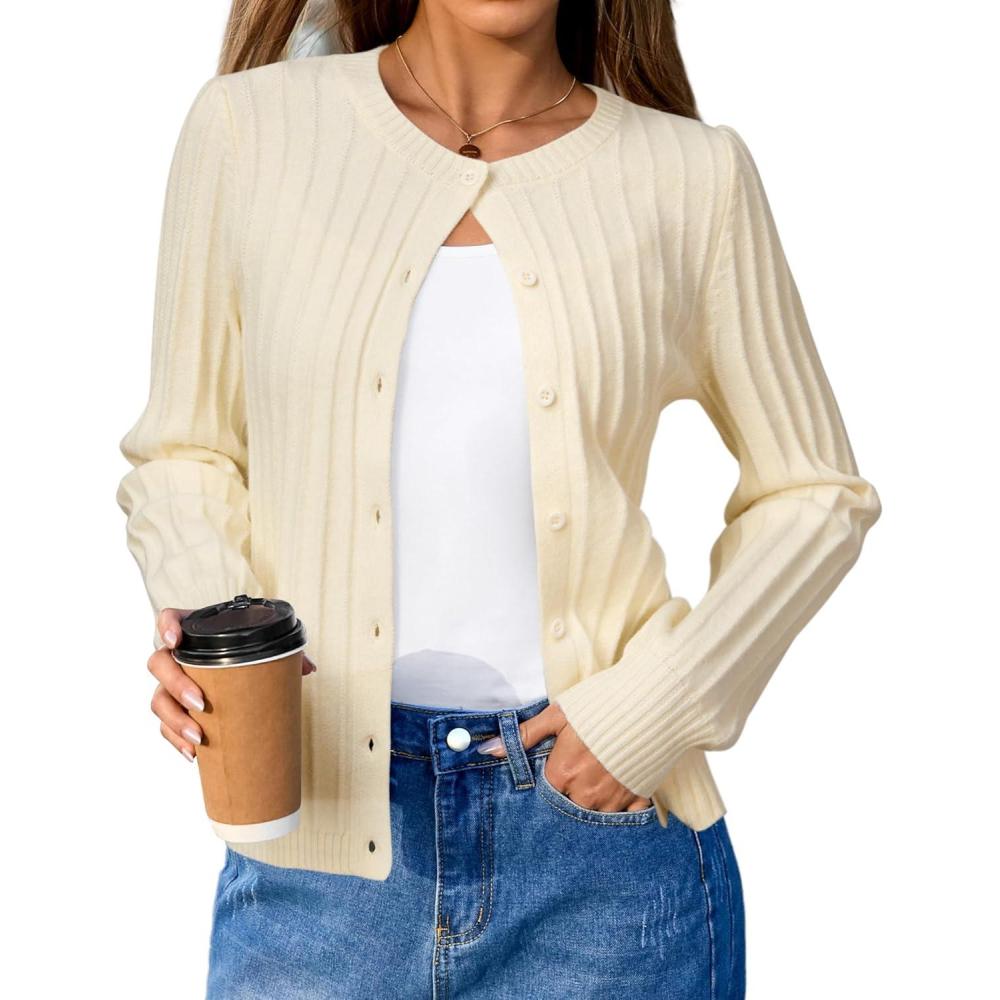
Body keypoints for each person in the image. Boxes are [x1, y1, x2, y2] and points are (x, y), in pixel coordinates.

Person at [115, 1, 882, 996]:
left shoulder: (692, 176)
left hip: (605, 860)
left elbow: (815, 490)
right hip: (314, 853)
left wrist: (652, 709)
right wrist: (224, 637)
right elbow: (184, 450)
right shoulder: (249, 130)